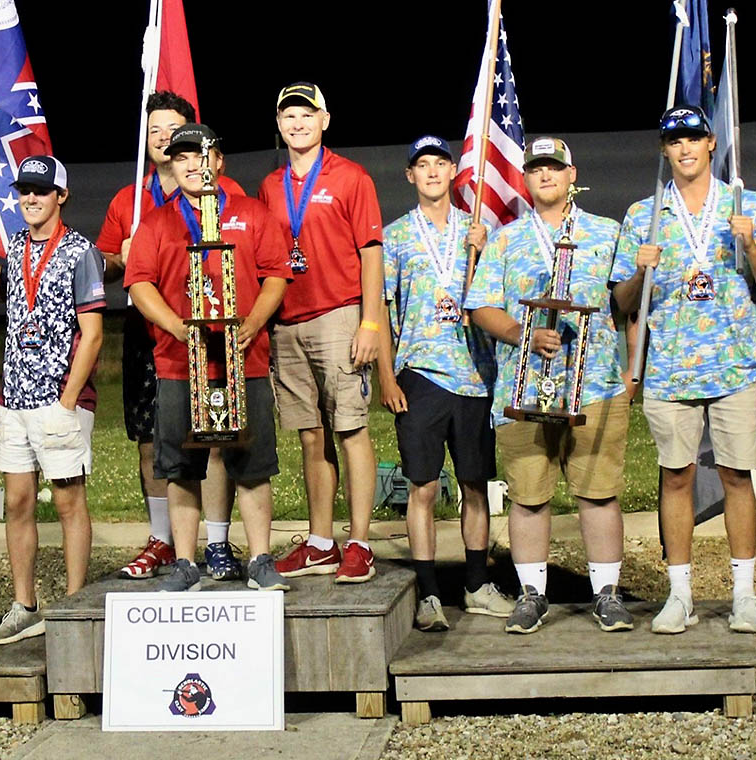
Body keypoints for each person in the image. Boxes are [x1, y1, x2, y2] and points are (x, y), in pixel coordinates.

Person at [611, 106, 756, 635]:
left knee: (738, 477)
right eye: (674, 141)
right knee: (676, 478)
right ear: (664, 150)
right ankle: (680, 595)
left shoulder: (747, 205)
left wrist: (751, 244)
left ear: (711, 143)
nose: (685, 148)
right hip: (669, 371)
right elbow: (622, 302)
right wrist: (638, 271)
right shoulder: (645, 213)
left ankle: (744, 594)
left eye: (693, 137)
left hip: (736, 367)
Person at [467, 137, 635, 634]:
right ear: (524, 178)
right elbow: (480, 306)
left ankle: (606, 592)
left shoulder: (606, 233)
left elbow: (624, 302)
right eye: (536, 168)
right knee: (528, 495)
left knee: (599, 492)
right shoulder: (504, 240)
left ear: (570, 174)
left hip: (596, 385)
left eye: (554, 168)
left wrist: (634, 371)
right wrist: (520, 334)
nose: (545, 176)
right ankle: (532, 595)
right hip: (524, 392)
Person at [125, 123, 292, 592]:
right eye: (182, 158)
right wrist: (177, 328)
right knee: (180, 465)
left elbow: (275, 275)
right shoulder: (158, 223)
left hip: (246, 360)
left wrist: (254, 324)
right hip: (180, 364)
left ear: (219, 162)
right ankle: (185, 563)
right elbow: (139, 284)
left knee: (252, 461)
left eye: (202, 155)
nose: (193, 165)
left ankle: (260, 558)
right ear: (171, 166)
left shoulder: (252, 214)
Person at [98, 91, 245, 582]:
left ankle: (219, 541)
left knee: (217, 433)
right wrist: (118, 257)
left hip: (214, 330)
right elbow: (111, 268)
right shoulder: (129, 200)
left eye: (173, 129)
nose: (163, 137)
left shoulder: (227, 192)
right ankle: (162, 539)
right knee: (151, 438)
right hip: (152, 333)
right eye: (155, 129)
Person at [0, 155, 106, 643]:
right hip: (14, 399)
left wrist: (67, 400)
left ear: (60, 197)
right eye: (24, 190)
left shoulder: (80, 251)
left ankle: (74, 607)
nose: (30, 198)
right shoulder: (19, 244)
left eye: (41, 191)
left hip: (59, 400)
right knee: (17, 502)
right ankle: (25, 604)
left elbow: (93, 334)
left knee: (68, 503)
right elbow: (5, 286)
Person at [380, 136, 514, 631]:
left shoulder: (479, 230)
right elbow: (380, 307)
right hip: (421, 373)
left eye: (440, 163)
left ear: (453, 171)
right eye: (422, 165)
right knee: (423, 485)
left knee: (475, 484)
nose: (432, 171)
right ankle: (429, 593)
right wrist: (386, 375)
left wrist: (482, 251)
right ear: (410, 176)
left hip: (475, 375)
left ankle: (477, 585)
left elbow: (497, 298)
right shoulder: (395, 237)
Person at [258, 82, 385, 584]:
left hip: (339, 314)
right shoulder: (271, 186)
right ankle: (320, 543)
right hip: (288, 320)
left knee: (350, 428)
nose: (297, 122)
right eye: (288, 115)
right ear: (280, 124)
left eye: (306, 114)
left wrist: (370, 322)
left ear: (324, 120)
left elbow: (371, 253)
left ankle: (361, 543)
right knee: (310, 436)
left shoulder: (351, 178)